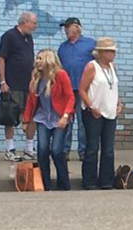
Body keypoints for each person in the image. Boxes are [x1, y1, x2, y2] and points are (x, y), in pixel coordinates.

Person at [22, 49, 76, 191]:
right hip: (43, 118)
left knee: (57, 150)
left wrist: (65, 116)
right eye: (37, 58)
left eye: (40, 58)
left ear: (48, 60)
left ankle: (64, 184)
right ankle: (45, 184)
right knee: (42, 150)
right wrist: (26, 120)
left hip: (59, 118)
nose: (37, 61)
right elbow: (31, 101)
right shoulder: (37, 78)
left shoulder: (61, 75)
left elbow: (71, 97)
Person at [78, 37, 123, 190]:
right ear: (102, 52)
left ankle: (106, 180)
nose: (113, 54)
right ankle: (89, 180)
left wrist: (119, 102)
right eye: (110, 51)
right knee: (92, 147)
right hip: (94, 112)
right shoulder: (92, 67)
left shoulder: (112, 67)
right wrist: (91, 107)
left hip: (110, 111)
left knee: (108, 149)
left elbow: (114, 88)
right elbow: (82, 90)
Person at [0, 11, 38, 161]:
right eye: (34, 22)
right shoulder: (9, 36)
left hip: (28, 85)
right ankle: (10, 148)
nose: (35, 26)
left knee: (32, 115)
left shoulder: (29, 38)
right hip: (12, 84)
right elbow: (1, 59)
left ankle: (28, 148)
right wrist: (3, 82)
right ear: (25, 22)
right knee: (11, 116)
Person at [57, 17, 95, 162]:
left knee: (83, 122)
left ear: (77, 28)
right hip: (67, 90)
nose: (66, 30)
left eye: (68, 27)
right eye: (65, 28)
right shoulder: (63, 47)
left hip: (84, 89)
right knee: (66, 120)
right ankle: (64, 150)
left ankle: (83, 151)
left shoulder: (90, 44)